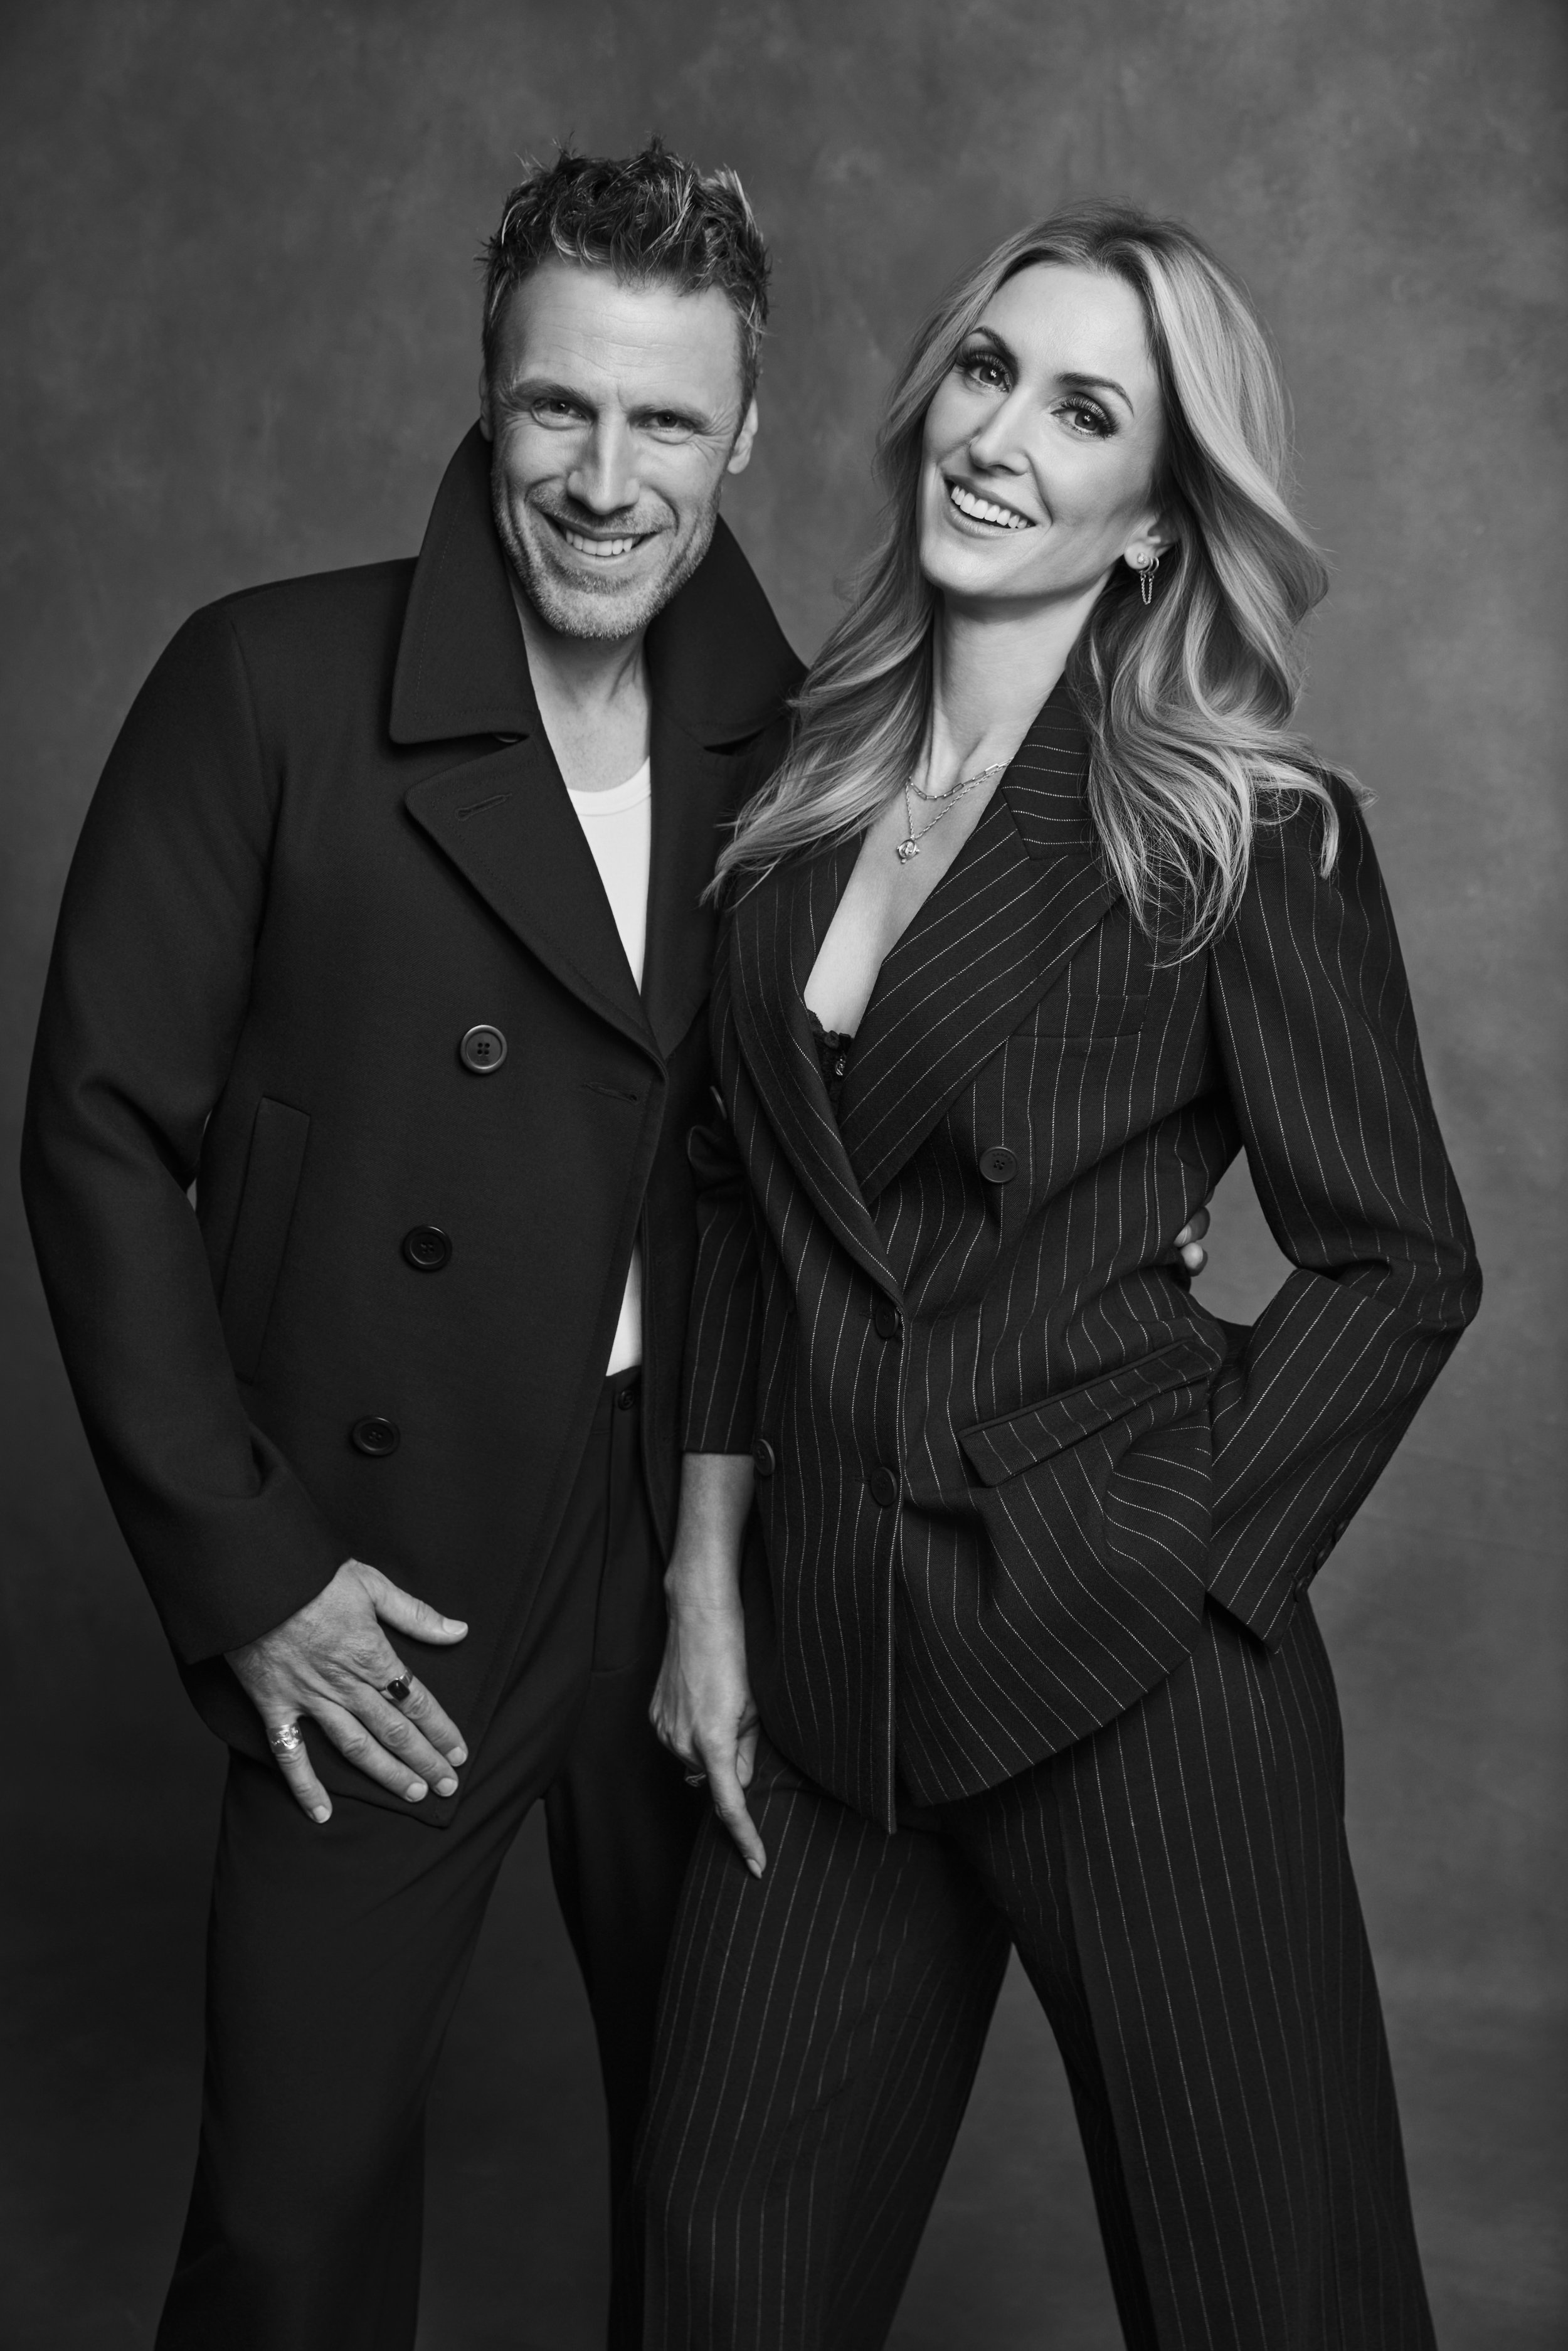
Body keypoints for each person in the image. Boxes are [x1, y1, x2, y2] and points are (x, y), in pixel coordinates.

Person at [642, 202, 1482, 2350]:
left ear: (1150, 520)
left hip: (1133, 1673)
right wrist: (707, 1590)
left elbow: (1397, 1257)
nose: (1001, 434)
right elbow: (740, 1201)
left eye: (1084, 407)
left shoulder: (1234, 827)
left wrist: (1196, 1565)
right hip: (830, 1672)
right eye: (988, 370)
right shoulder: (796, 798)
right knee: (718, 2273)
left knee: (1268, 2299)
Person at [20, 143, 803, 2351]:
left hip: (691, 1544)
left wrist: (735, 1556)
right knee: (288, 2224)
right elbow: (92, 1134)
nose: (605, 476)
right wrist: (248, 1565)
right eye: (561, 407)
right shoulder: (261, 684)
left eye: (666, 420)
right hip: (380, 1553)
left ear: (742, 433)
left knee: (729, 2187)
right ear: (485, 393)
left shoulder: (810, 741)